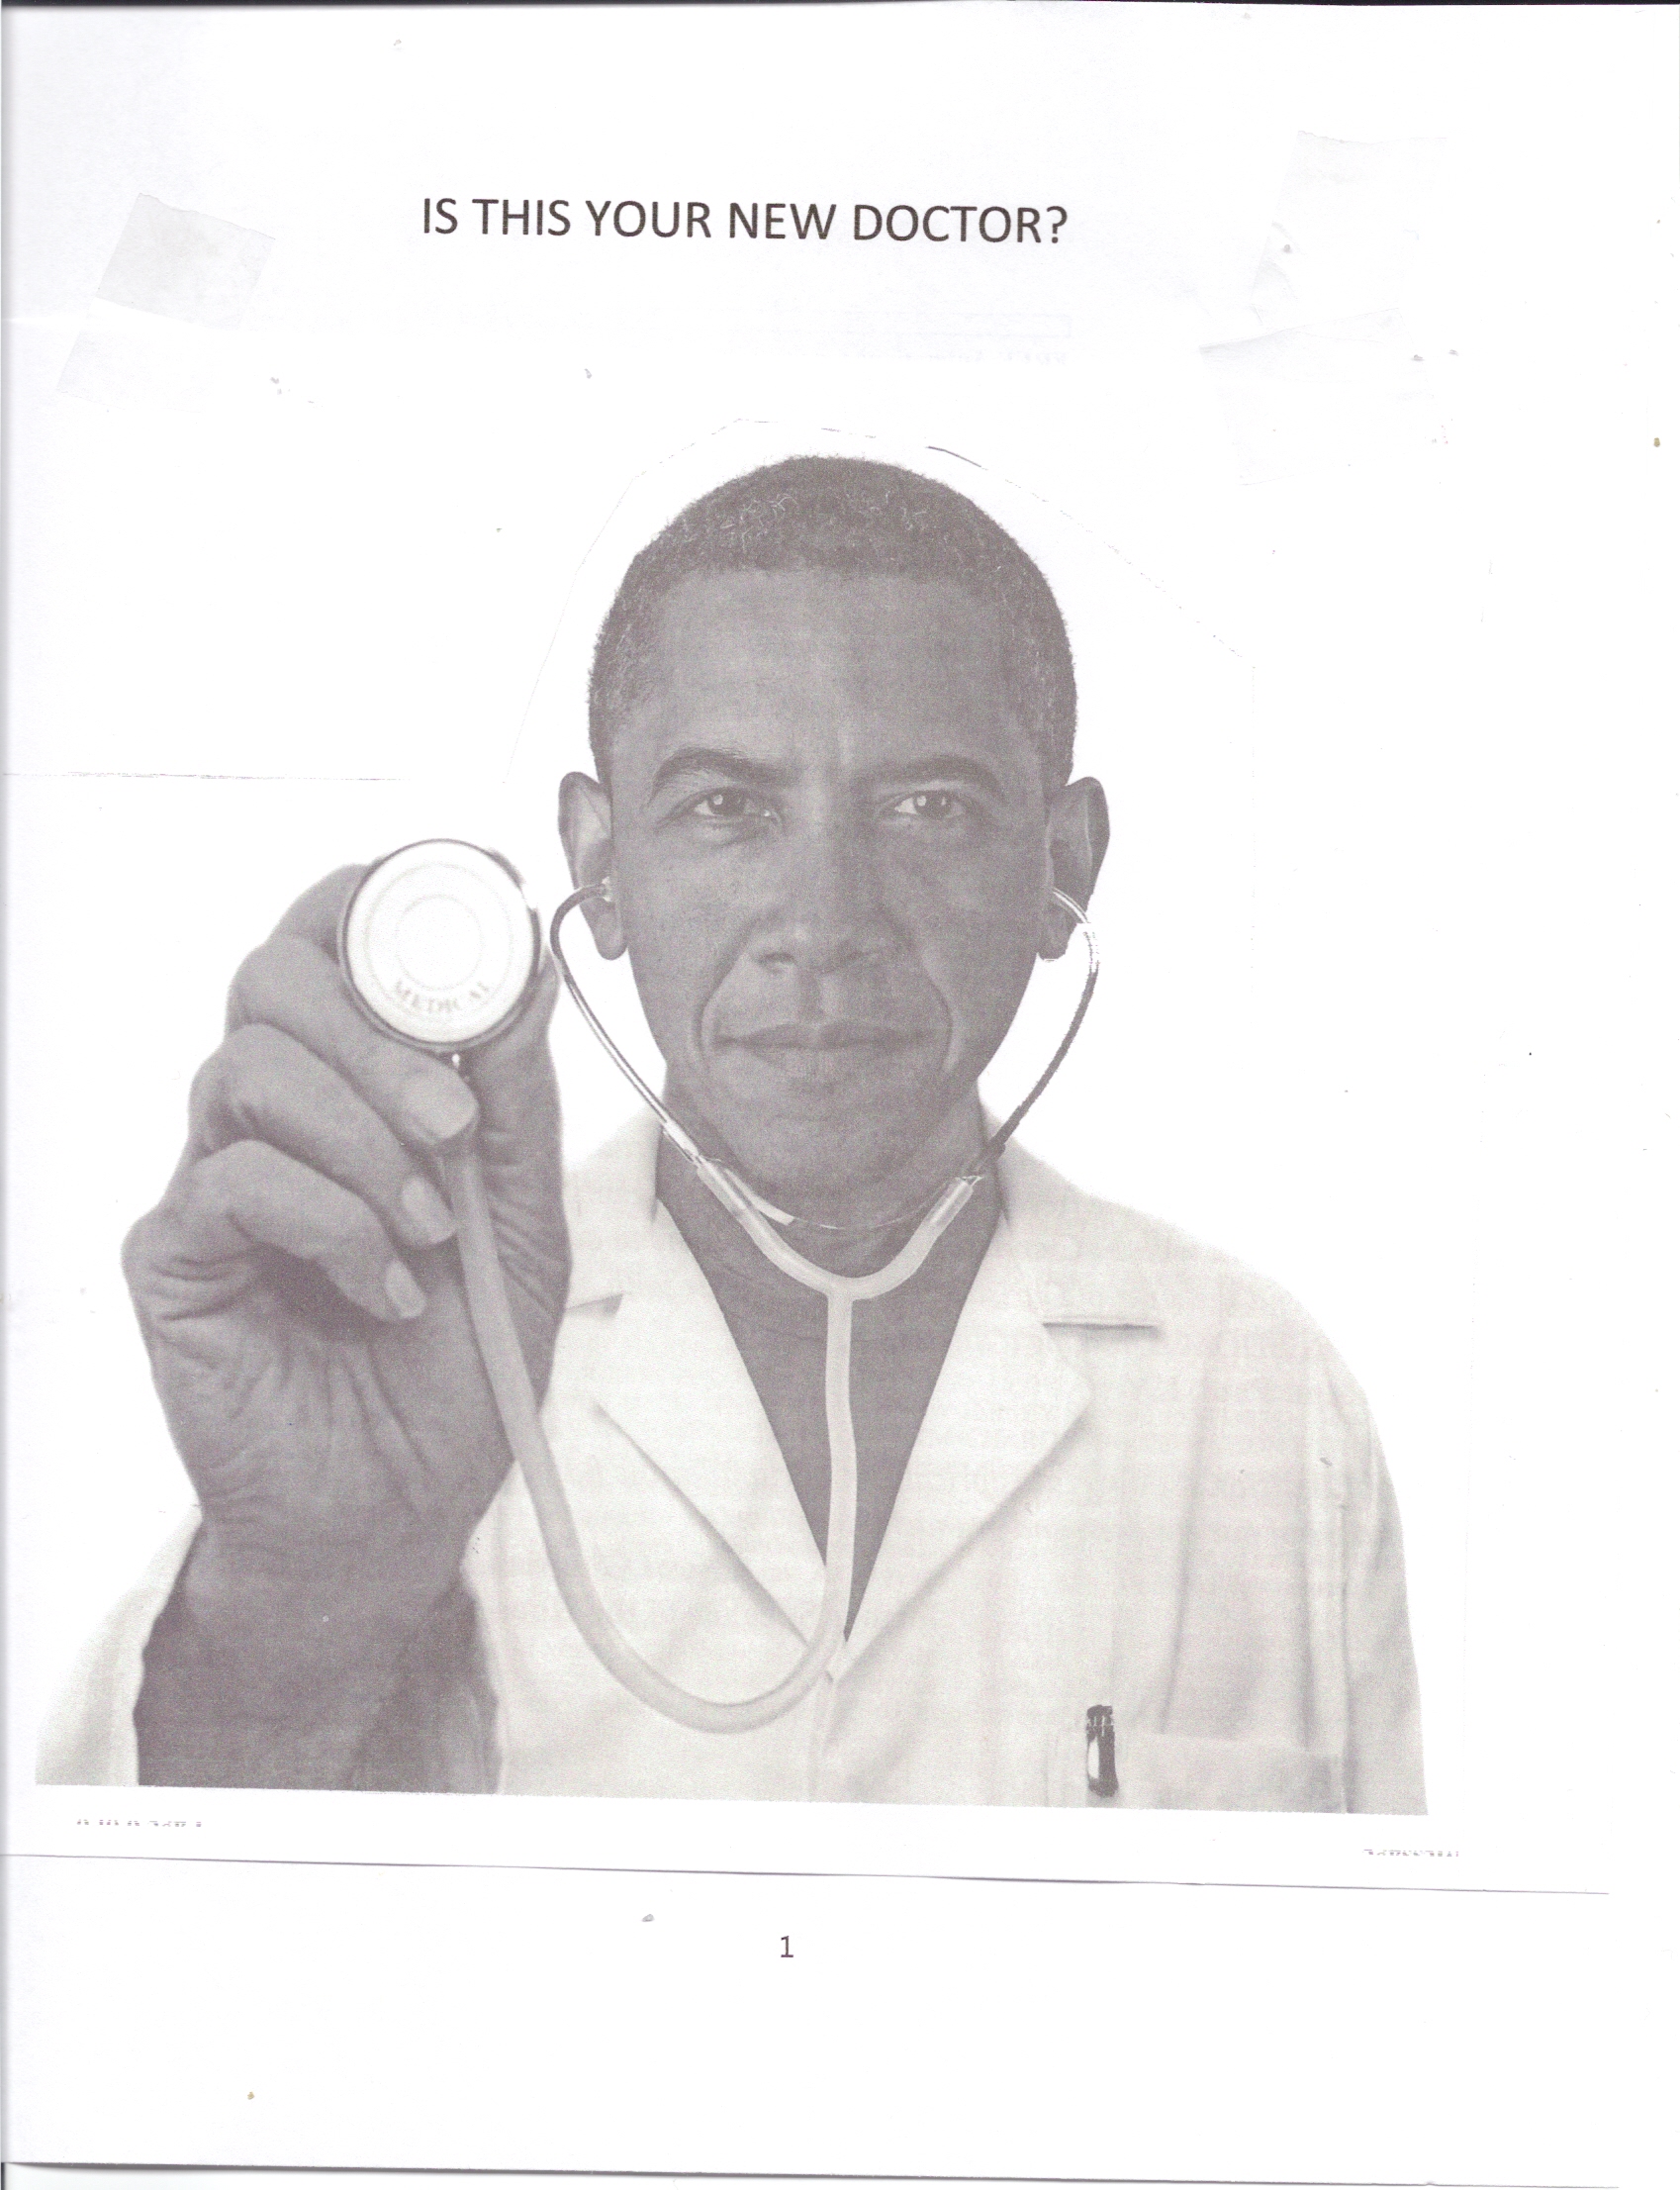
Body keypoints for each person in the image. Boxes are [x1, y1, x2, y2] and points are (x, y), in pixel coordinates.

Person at [42, 455, 1425, 1810]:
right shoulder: (407, 1345)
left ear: (1062, 865)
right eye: (726, 810)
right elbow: (139, 1923)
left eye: (927, 809)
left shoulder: (1263, 1395)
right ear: (599, 866)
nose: (824, 923)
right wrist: (302, 1602)